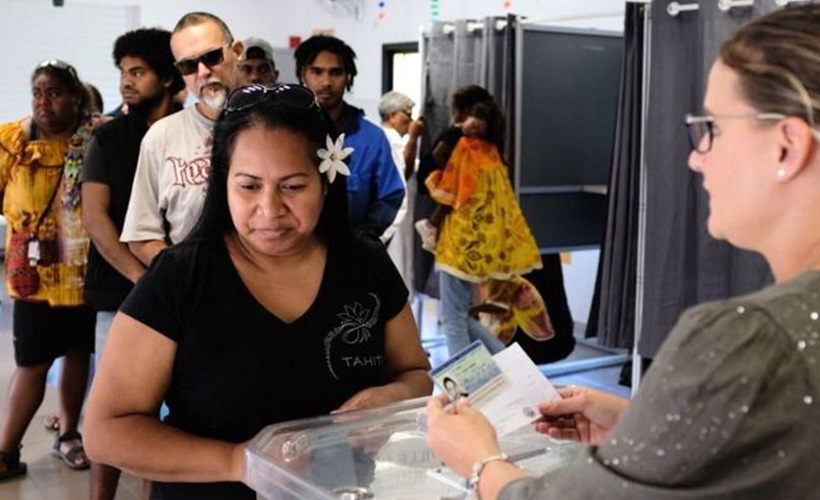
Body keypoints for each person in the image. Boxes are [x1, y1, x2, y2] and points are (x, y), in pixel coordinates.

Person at [426, 5, 820, 500]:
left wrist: (479, 460)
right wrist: (642, 426)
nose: (695, 157)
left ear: (786, 146)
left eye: (711, 129)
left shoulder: (751, 338)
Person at [84, 83, 433, 500]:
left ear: (326, 180)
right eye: (249, 187)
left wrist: (391, 396)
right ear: (223, 183)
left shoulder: (365, 263)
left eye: (293, 186)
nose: (270, 210)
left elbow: (415, 373)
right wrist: (240, 461)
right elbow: (106, 433)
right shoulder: (181, 277)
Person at [80, 27, 185, 500]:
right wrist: (143, 279)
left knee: (168, 414)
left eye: (138, 72)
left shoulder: (192, 133)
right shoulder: (110, 139)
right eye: (123, 72)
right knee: (113, 407)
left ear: (167, 77)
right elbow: (97, 221)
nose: (126, 82)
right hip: (120, 292)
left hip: (183, 291)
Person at [0, 60, 100, 480]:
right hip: (34, 275)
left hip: (83, 273)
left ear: (76, 96)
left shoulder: (96, 140)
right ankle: (6, 451)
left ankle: (68, 433)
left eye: (55, 92)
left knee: (78, 353)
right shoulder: (13, 142)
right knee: (32, 363)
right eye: (38, 92)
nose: (44, 101)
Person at [120, 12, 243, 266]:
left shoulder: (276, 127)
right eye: (188, 66)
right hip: (195, 294)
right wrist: (181, 276)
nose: (203, 72)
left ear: (237, 51)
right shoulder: (162, 136)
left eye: (212, 57)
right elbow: (141, 237)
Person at [426, 99, 542, 356]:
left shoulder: (466, 148)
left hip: (459, 243)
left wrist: (432, 220)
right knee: (459, 314)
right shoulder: (495, 153)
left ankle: (466, 383)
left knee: (453, 319)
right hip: (483, 248)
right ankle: (505, 362)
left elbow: (447, 191)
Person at [296, 35, 405, 239]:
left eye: (335, 72)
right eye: (317, 71)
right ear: (303, 74)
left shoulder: (372, 138)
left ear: (348, 77)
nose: (326, 81)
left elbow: (390, 196)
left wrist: (363, 240)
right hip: (291, 254)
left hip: (349, 255)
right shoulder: (286, 134)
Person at [379, 90, 424, 294]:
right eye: (408, 114)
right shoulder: (387, 140)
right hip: (394, 212)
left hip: (401, 213)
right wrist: (413, 138)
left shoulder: (392, 139)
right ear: (394, 115)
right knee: (396, 260)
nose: (411, 120)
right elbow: (403, 174)